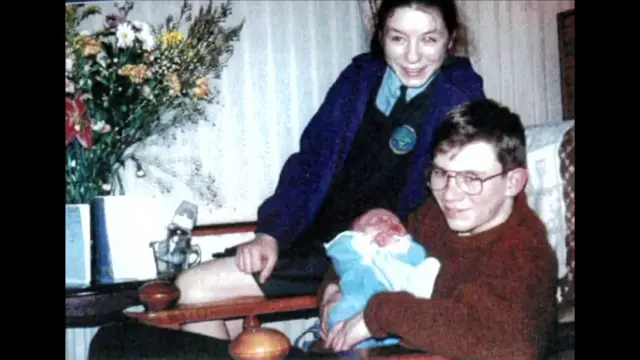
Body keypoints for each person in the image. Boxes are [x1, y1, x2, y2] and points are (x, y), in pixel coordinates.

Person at [88, 0, 485, 357]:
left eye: (428, 39)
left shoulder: (461, 97)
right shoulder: (358, 80)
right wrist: (271, 234)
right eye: (399, 38)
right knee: (191, 288)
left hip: (386, 259)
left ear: (450, 41)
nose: (413, 56)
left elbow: (454, 208)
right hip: (316, 244)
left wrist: (358, 270)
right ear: (381, 36)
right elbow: (309, 165)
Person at [319, 98, 559, 360]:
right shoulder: (433, 215)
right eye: (441, 173)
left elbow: (512, 344)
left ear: (513, 182)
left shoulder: (526, 252)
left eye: (471, 178)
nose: (449, 195)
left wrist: (378, 315)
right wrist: (332, 290)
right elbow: (366, 246)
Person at [324, 208, 441, 349]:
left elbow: (417, 255)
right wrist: (366, 240)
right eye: (374, 221)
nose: (385, 222)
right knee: (341, 311)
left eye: (392, 221)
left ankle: (416, 300)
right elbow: (338, 252)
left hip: (400, 294)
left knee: (430, 265)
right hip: (362, 300)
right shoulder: (355, 251)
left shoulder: (403, 246)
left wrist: (398, 244)